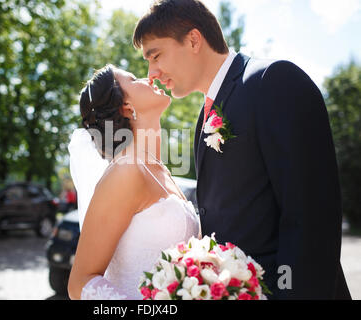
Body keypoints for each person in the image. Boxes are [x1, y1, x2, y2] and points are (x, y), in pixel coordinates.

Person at [132, 0, 351, 299]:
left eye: (155, 55)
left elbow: (311, 218)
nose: (152, 72)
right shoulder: (204, 117)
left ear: (194, 40)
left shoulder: (273, 82)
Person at [67, 65, 201, 300]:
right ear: (126, 107)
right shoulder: (124, 171)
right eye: (133, 79)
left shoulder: (160, 170)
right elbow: (79, 284)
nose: (149, 77)